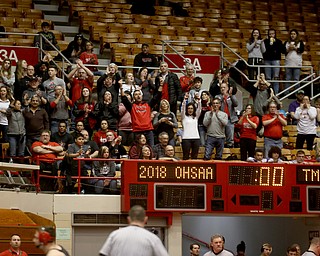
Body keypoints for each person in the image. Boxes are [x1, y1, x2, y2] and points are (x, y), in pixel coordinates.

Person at [99, 205, 169, 256]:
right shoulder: (152, 238)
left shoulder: (115, 235)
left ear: (129, 219)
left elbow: (103, 254)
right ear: (145, 219)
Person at [120, 80, 163, 147]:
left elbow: (157, 97)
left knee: (151, 148)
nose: (138, 96)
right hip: (137, 131)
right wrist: (121, 87)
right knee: (138, 149)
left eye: (139, 94)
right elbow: (124, 99)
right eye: (136, 95)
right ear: (133, 97)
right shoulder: (132, 106)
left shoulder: (148, 104)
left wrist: (161, 85)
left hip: (148, 131)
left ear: (142, 96)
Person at [216, 82, 238, 148]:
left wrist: (231, 96)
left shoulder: (231, 96)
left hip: (230, 120)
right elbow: (217, 105)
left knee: (230, 138)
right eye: (221, 88)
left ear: (227, 88)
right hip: (220, 120)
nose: (222, 89)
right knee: (220, 137)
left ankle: (230, 152)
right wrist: (223, 97)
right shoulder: (217, 97)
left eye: (224, 87)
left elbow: (236, 104)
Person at [181, 93, 202, 160]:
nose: (190, 110)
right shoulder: (184, 117)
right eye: (189, 108)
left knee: (194, 156)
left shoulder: (196, 117)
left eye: (192, 108)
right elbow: (182, 109)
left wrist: (199, 100)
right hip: (186, 138)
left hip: (196, 138)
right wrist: (185, 100)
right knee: (185, 156)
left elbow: (199, 109)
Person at [263, 28, 283, 94]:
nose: (271, 35)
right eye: (270, 34)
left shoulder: (278, 42)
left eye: (273, 34)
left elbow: (282, 50)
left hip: (276, 60)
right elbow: (264, 51)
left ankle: (276, 94)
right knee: (268, 78)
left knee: (276, 77)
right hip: (267, 60)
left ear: (275, 34)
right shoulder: (265, 42)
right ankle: (269, 93)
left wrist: (275, 44)